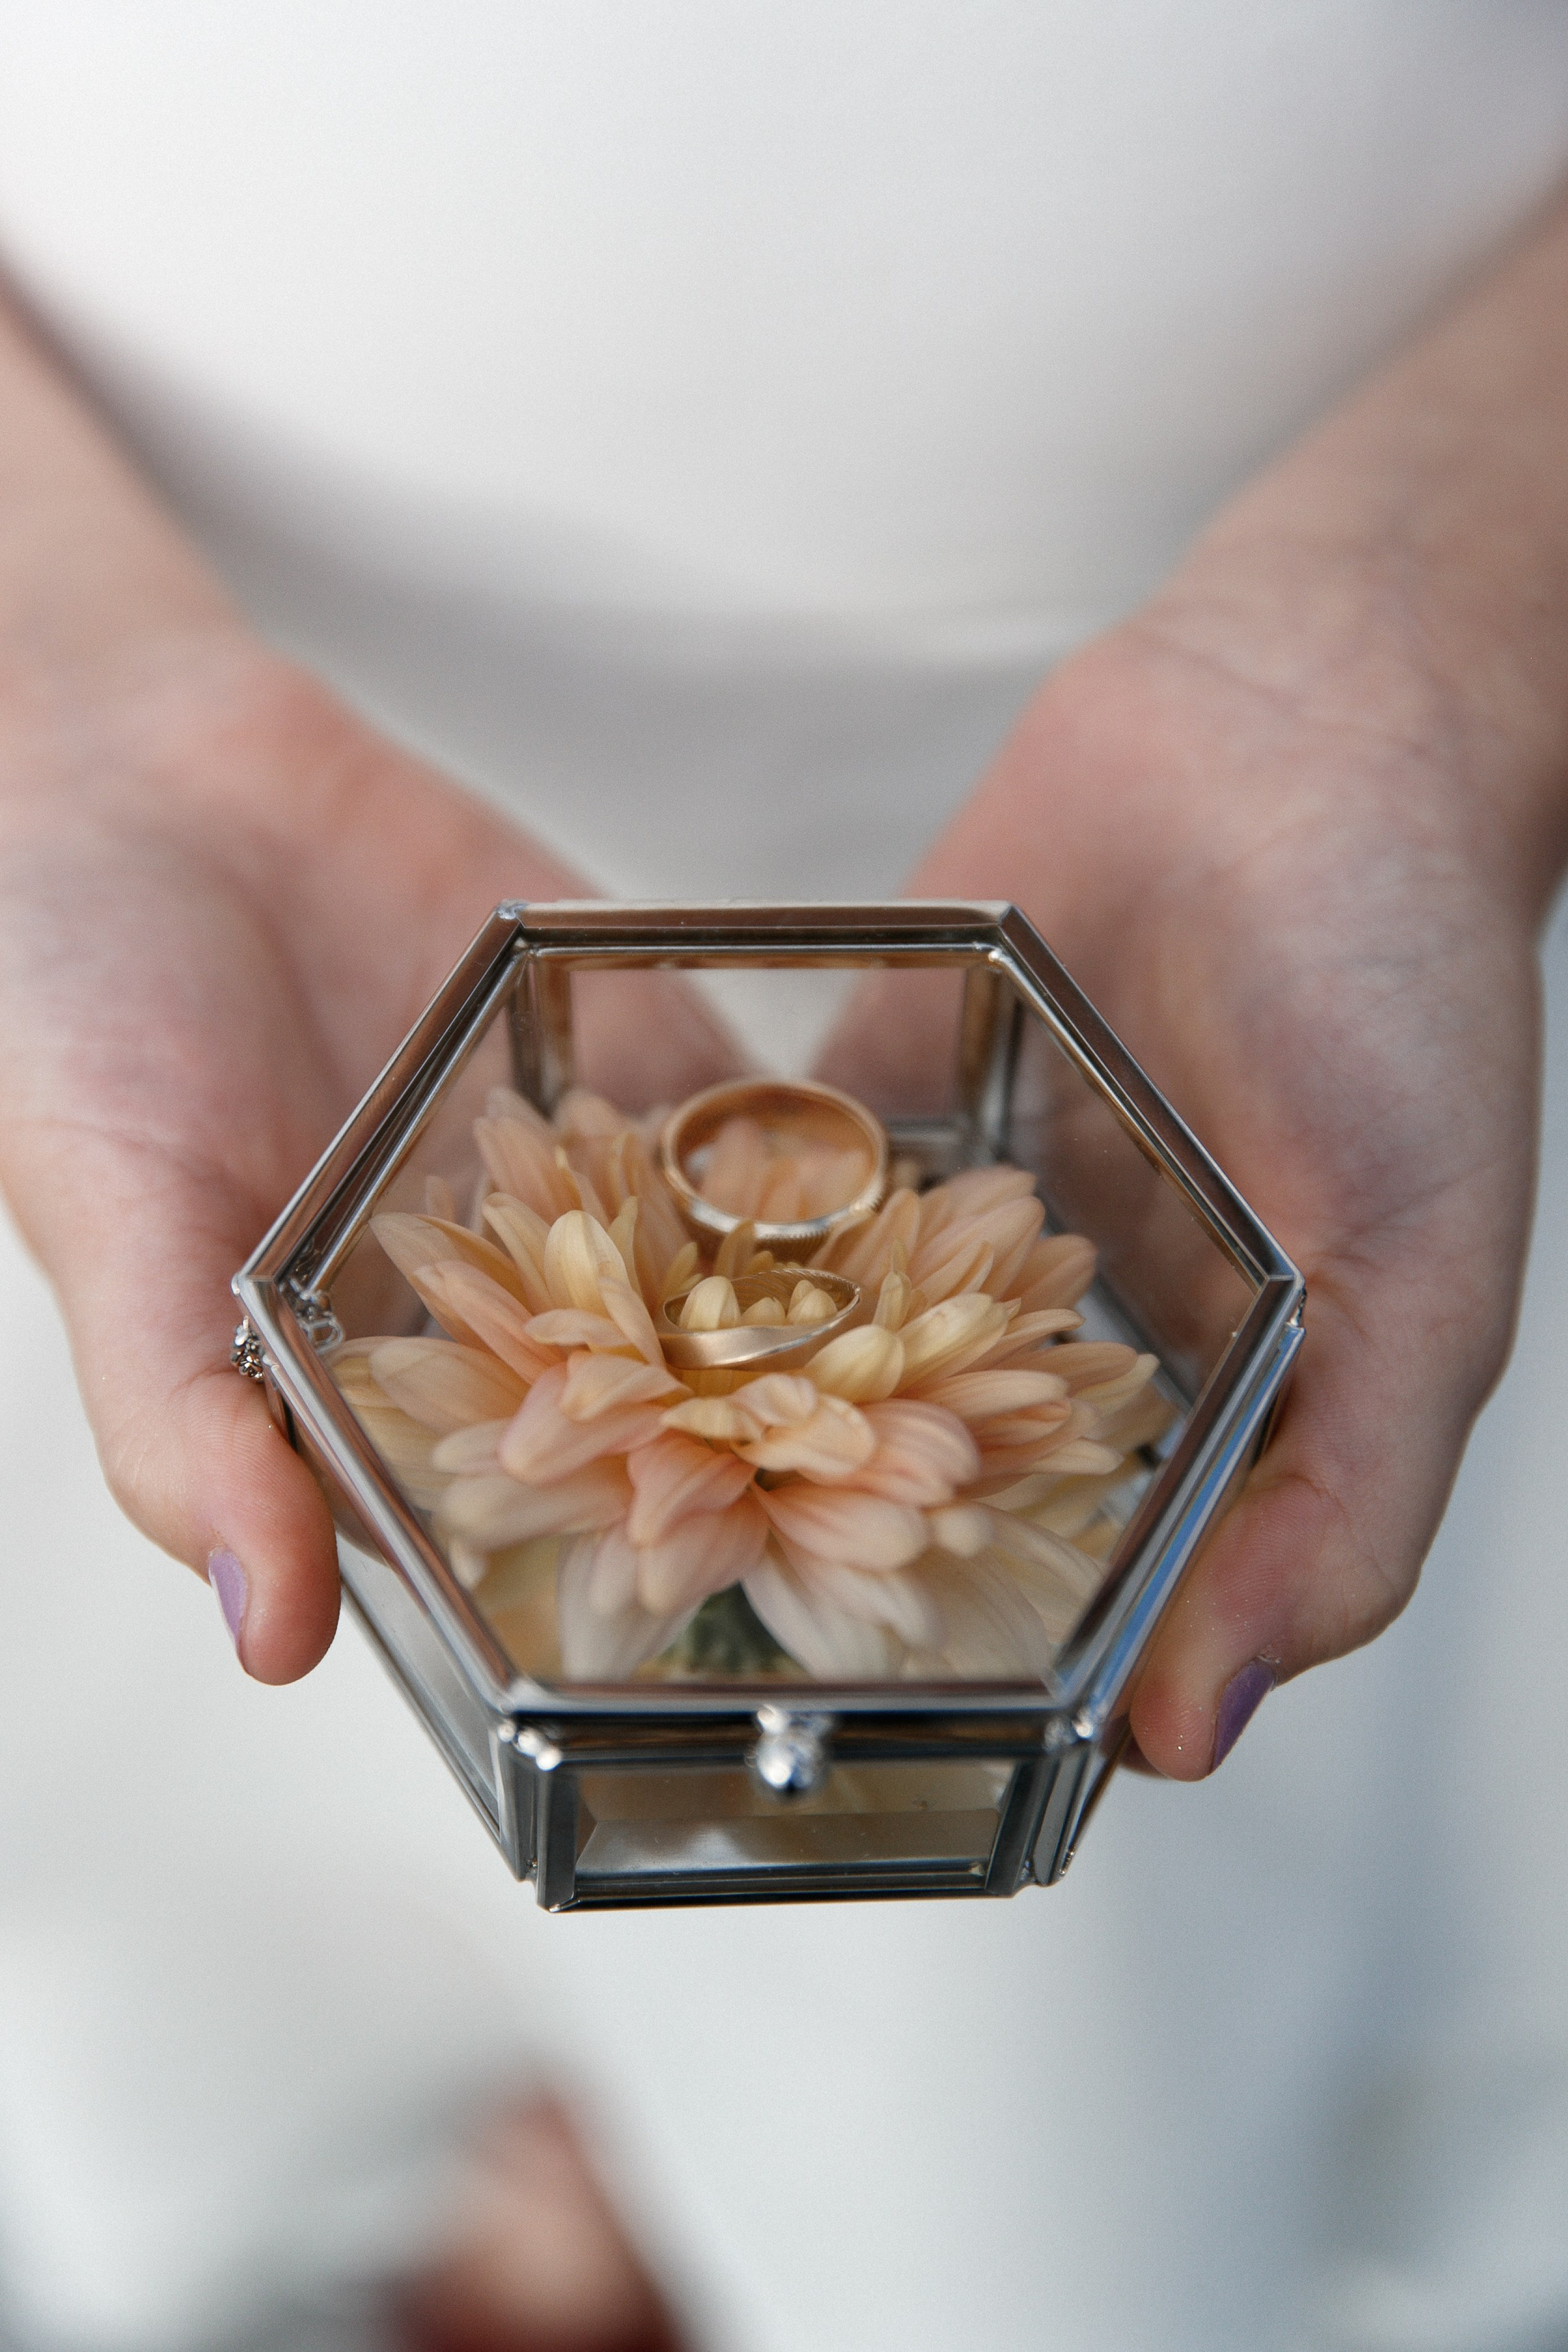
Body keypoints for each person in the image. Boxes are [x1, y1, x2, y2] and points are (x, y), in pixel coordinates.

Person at [3, 8, 1568, 2347]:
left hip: (1272, 783)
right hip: (192, 695)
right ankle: (492, 2108)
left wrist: (1454, 630)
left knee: (1019, 2043)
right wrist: (48, 696)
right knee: (271, 1682)